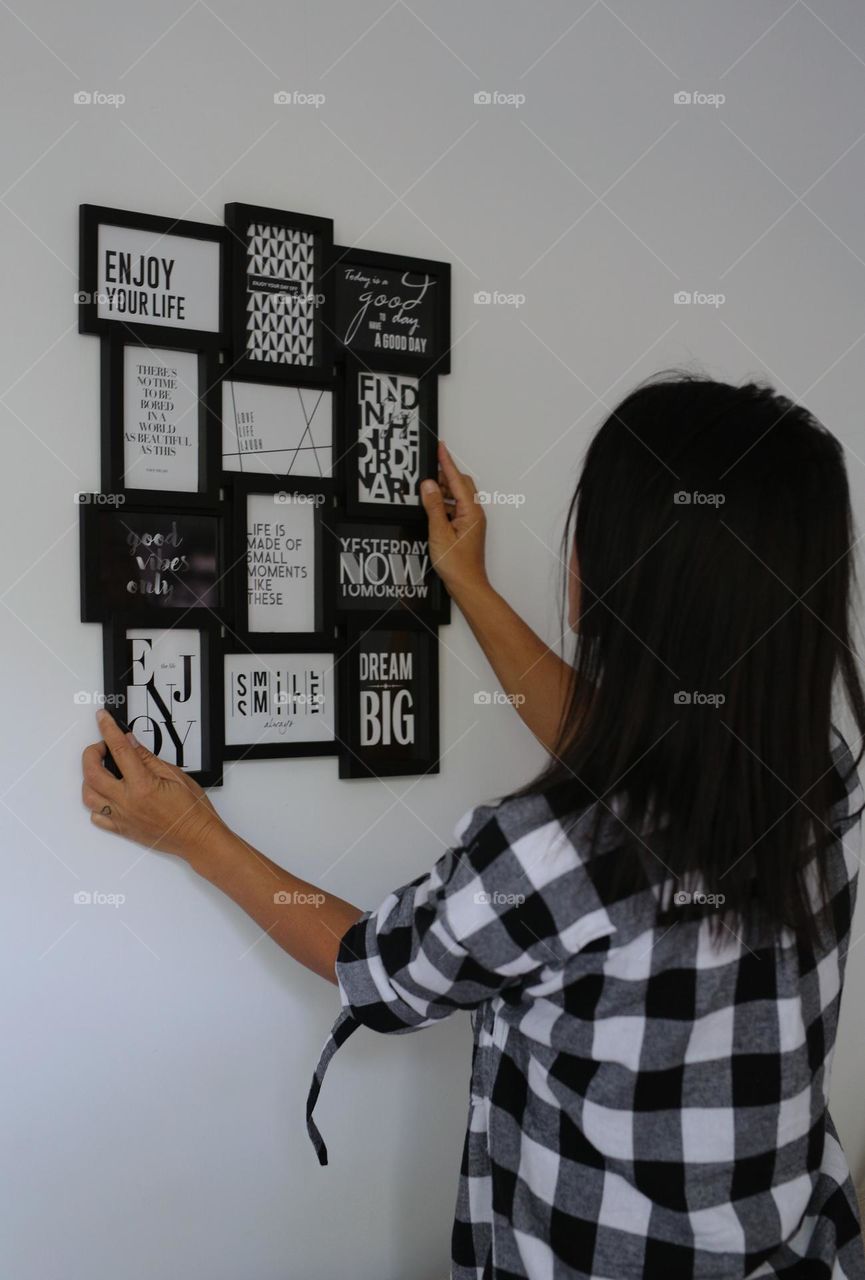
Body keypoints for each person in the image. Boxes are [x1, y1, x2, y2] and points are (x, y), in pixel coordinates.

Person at [81, 374, 865, 1279]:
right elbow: (637, 756)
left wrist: (194, 835)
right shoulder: (819, 776)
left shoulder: (549, 852)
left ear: (606, 575)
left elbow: (370, 972)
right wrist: (466, 584)